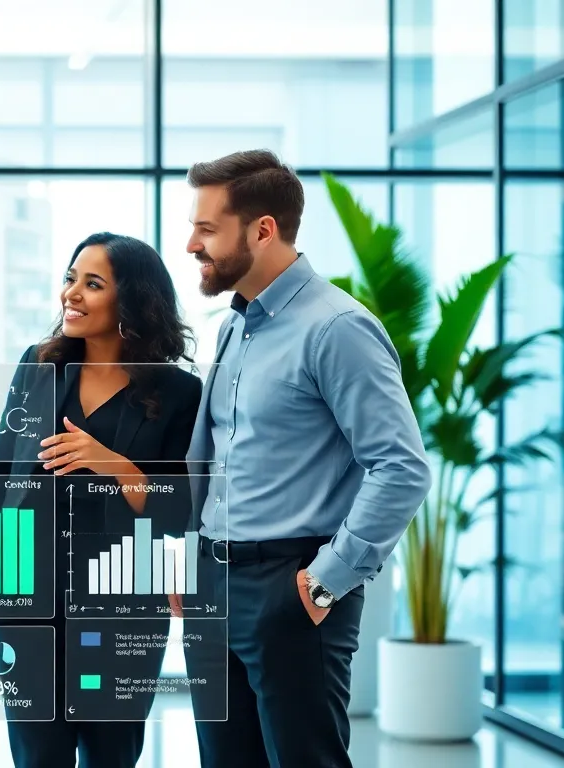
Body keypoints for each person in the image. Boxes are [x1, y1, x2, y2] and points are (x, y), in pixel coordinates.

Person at [176, 150, 432, 767]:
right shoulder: (234, 326)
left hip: (290, 585)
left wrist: (327, 580)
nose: (191, 244)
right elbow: (217, 458)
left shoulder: (337, 327)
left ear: (263, 230)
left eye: (207, 228)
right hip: (215, 581)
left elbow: (401, 466)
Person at [0, 233, 202, 767]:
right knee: (35, 755)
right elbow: (0, 478)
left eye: (92, 284)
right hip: (26, 601)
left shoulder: (179, 393)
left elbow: (177, 506)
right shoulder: (37, 367)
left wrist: (108, 460)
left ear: (133, 301)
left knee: (112, 755)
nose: (72, 293)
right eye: (71, 278)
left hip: (124, 605)